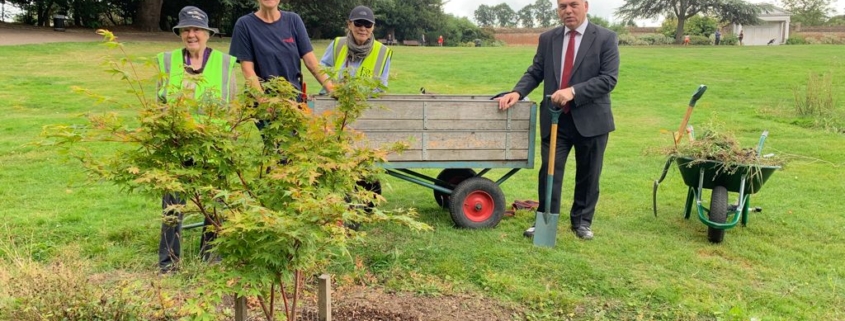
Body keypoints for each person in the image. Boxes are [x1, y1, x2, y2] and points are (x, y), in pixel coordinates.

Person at [496, 0, 619, 240]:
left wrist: (572, 91)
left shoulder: (606, 38)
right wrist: (517, 92)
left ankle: (582, 222)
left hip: (592, 119)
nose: (568, 11)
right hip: (554, 119)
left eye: (573, 5)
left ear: (586, 6)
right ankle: (545, 219)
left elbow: (608, 79)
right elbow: (536, 71)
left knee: (589, 172)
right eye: (562, 6)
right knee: (550, 171)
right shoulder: (548, 38)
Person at [156, 6, 238, 273]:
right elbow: (159, 104)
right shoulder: (168, 62)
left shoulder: (225, 64)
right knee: (172, 205)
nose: (192, 34)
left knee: (215, 202)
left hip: (214, 145)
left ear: (207, 34)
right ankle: (168, 263)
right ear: (180, 33)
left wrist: (229, 141)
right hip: (178, 145)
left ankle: (211, 257)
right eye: (186, 29)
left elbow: (233, 106)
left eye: (197, 30)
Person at [229, 0, 334, 116]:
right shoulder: (244, 25)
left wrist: (332, 89)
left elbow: (311, 62)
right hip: (266, 104)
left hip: (295, 101)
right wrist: (263, 101)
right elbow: (247, 69)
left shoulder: (293, 20)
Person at [320, 5, 392, 90]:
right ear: (349, 24)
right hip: (334, 100)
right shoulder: (338, 44)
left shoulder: (383, 52)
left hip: (366, 102)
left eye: (368, 24)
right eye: (358, 23)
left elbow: (381, 87)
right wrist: (333, 88)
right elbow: (322, 70)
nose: (362, 28)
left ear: (373, 27)